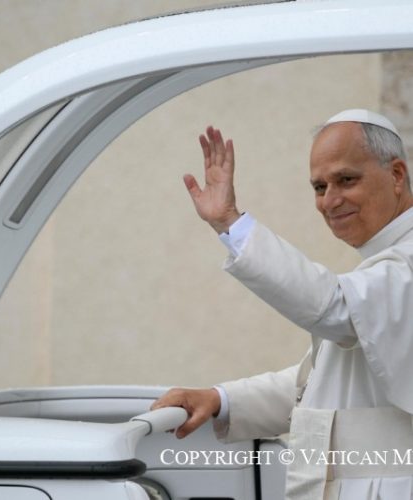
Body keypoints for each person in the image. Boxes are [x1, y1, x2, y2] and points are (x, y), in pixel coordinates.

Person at [151, 109, 413, 500]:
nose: (330, 200)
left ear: (396, 175)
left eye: (346, 180)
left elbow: (333, 307)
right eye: (319, 187)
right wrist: (220, 399)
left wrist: (231, 223)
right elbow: (316, 386)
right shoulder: (384, 264)